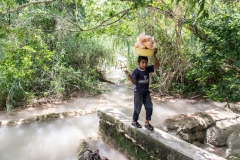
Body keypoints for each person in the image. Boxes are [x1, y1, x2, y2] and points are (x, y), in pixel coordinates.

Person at [124, 48, 159, 130]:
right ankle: (134, 121)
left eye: (146, 63)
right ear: (139, 63)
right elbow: (134, 82)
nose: (144, 64)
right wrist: (129, 75)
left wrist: (154, 55)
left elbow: (157, 65)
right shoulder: (136, 71)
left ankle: (147, 123)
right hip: (138, 93)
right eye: (143, 63)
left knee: (149, 107)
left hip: (146, 92)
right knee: (137, 108)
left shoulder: (147, 69)